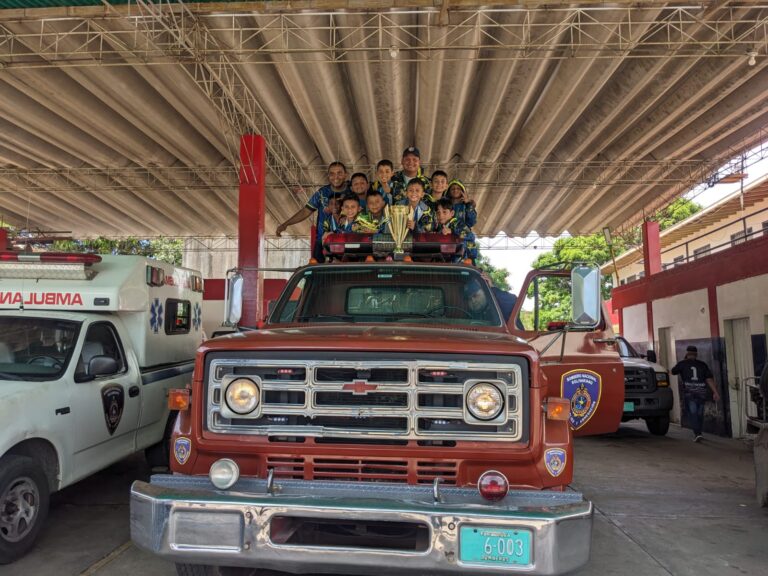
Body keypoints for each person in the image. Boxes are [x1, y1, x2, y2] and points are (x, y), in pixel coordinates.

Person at [275, 162, 349, 262]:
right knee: (319, 275)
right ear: (328, 176)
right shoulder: (321, 193)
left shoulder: (351, 191)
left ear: (346, 175)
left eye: (339, 173)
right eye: (332, 173)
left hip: (348, 241)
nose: (336, 177)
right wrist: (286, 224)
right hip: (322, 242)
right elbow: (306, 211)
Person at [671, 345, 720, 442]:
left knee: (693, 413)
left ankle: (697, 433)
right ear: (696, 354)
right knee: (700, 413)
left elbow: (673, 371)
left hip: (690, 393)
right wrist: (715, 392)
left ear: (687, 353)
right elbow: (709, 379)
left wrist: (684, 361)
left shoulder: (682, 364)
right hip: (701, 392)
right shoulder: (703, 365)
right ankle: (699, 432)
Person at [434, 197, 476, 263]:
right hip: (450, 261)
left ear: (452, 213)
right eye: (438, 213)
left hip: (465, 261)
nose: (441, 215)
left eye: (444, 212)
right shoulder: (440, 228)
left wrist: (452, 232)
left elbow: (471, 236)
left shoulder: (457, 223)